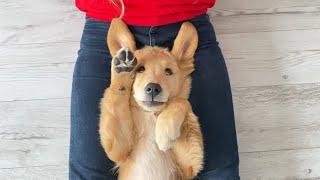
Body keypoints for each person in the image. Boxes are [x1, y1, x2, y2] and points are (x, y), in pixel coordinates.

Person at [69, 0, 240, 179]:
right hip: (106, 21)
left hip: (187, 19)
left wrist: (180, 107)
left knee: (221, 172)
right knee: (88, 173)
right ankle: (121, 81)